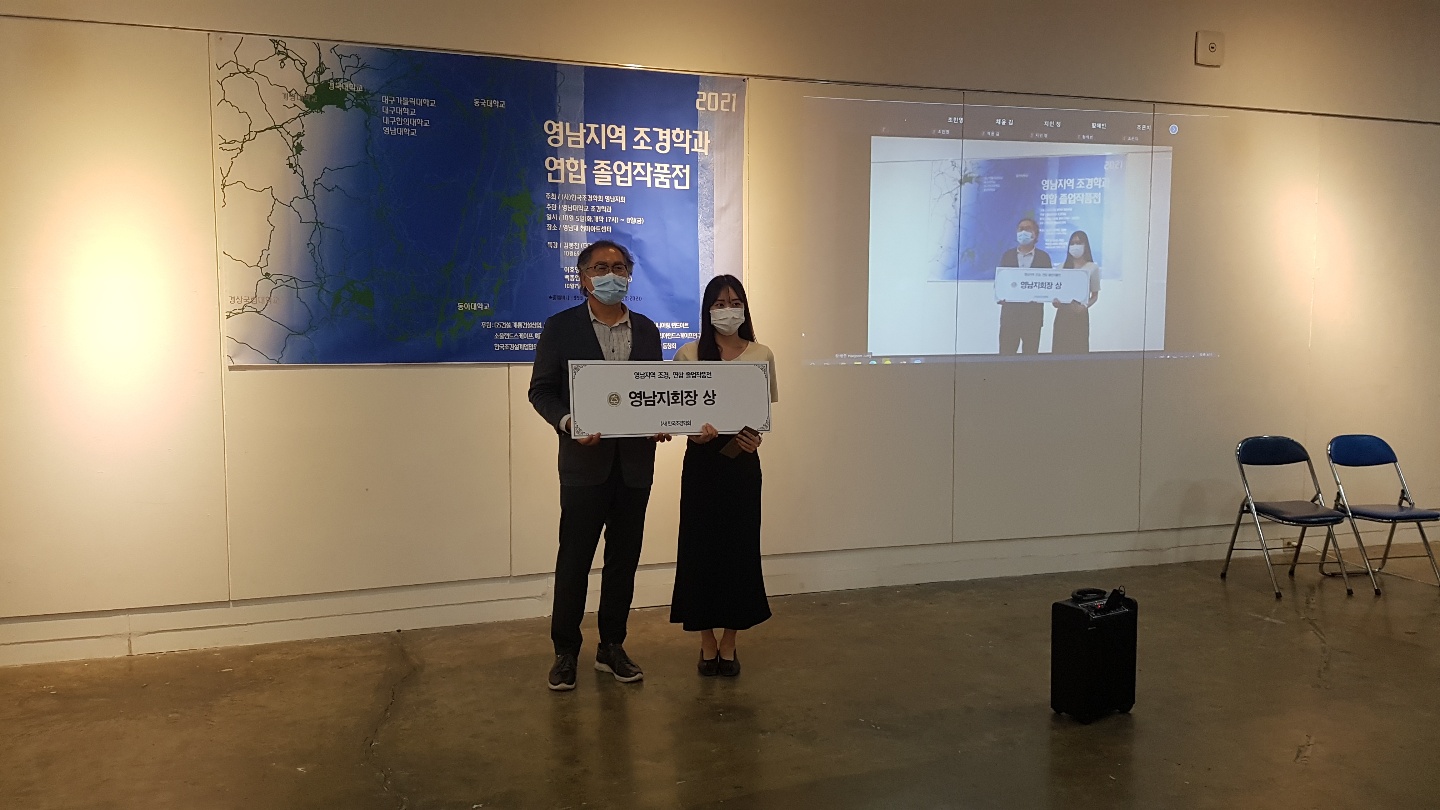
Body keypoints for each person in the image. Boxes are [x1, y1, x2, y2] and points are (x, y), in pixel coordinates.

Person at [528, 240, 670, 691]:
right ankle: (565, 652)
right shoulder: (560, 328)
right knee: (574, 561)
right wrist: (569, 422)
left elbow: (654, 392)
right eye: (601, 267)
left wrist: (661, 421)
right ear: (583, 277)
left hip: (635, 467)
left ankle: (612, 647)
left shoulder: (647, 330)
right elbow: (541, 390)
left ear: (630, 274)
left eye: (620, 267)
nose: (612, 274)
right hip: (584, 465)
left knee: (623, 562)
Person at [669, 275, 777, 677]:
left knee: (739, 550)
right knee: (699, 550)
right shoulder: (689, 354)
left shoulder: (762, 353)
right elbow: (677, 411)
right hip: (702, 463)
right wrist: (692, 432)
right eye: (718, 304)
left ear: (744, 307)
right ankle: (706, 640)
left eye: (734, 302)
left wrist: (756, 439)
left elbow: (762, 412)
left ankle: (730, 639)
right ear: (707, 310)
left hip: (742, 464)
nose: (727, 310)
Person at [997, 218, 1052, 355]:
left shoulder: (1043, 257)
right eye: (1020, 229)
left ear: (1035, 234)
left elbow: (1048, 284)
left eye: (1028, 229)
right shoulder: (1007, 256)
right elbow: (1001, 281)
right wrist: (999, 295)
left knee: (1030, 358)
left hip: (1033, 316)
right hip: (1010, 316)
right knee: (1006, 357)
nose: (1023, 232)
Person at [1051, 230, 1101, 354]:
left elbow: (1095, 296)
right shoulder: (1061, 267)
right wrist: (1055, 302)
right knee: (1059, 351)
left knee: (1079, 350)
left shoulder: (1092, 267)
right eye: (1072, 243)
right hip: (1062, 314)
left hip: (1080, 315)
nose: (1075, 246)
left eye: (1078, 243)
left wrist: (1084, 306)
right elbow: (1055, 293)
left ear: (1085, 245)